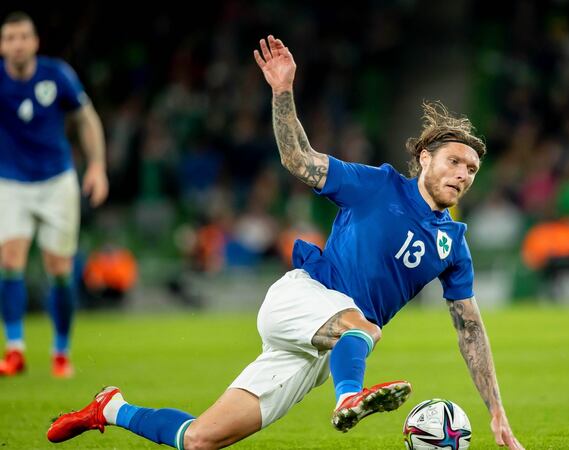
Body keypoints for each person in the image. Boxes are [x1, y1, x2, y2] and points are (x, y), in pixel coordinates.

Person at [47, 35, 524, 450]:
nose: (463, 174)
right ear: (424, 158)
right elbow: (299, 160)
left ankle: (110, 408)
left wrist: (497, 411)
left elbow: (471, 331)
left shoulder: (454, 245)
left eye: (472, 170)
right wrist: (282, 91)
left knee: (200, 439)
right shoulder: (376, 186)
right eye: (454, 162)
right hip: (302, 300)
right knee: (366, 329)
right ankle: (348, 398)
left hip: (320, 350)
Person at [0, 12, 108, 378]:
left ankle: (61, 351)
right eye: (10, 37)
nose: (17, 43)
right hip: (11, 182)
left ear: (34, 42)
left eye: (23, 36)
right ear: (2, 46)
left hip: (57, 181)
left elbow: (86, 118)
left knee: (59, 269)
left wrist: (96, 166)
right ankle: (14, 350)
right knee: (9, 260)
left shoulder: (56, 74)